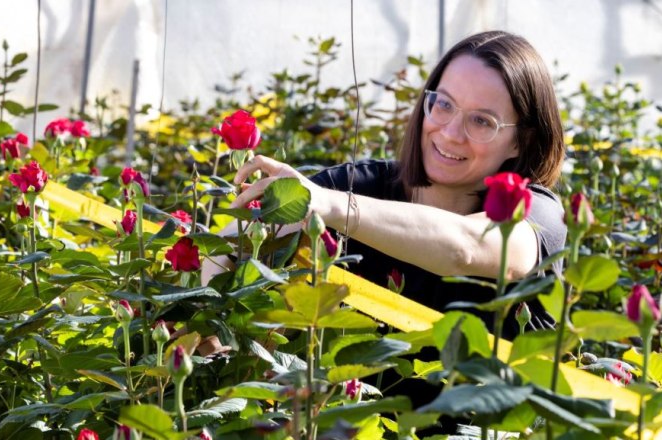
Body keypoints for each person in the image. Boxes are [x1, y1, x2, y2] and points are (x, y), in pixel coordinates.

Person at [204, 29, 566, 411]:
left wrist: (330, 206)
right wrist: (219, 330)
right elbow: (228, 246)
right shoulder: (356, 187)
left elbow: (465, 247)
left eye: (482, 121)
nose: (451, 132)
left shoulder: (539, 214)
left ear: (521, 141)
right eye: (443, 104)